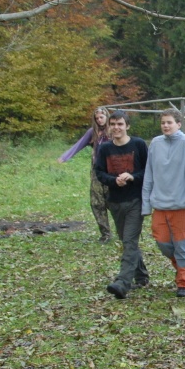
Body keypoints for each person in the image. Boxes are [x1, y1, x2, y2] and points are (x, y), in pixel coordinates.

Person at [142, 108, 185, 297]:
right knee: (163, 243)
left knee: (182, 245)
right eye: (163, 123)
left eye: (169, 122)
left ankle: (184, 283)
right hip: (160, 205)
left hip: (182, 206)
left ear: (178, 124)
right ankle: (184, 270)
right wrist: (146, 203)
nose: (166, 126)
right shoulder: (155, 144)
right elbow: (149, 174)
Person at [94, 110, 149, 299]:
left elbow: (148, 170)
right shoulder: (105, 149)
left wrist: (132, 176)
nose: (116, 128)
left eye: (120, 124)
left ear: (127, 126)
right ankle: (141, 276)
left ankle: (122, 282)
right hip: (115, 202)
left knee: (129, 241)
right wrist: (113, 180)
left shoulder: (138, 145)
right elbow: (99, 172)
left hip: (135, 201)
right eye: (113, 124)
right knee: (127, 240)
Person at [59, 106, 113, 242]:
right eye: (97, 118)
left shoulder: (113, 130)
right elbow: (79, 144)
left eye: (101, 117)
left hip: (113, 171)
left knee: (114, 202)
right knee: (96, 202)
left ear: (107, 117)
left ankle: (124, 231)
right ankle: (105, 234)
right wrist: (65, 157)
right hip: (97, 171)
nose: (99, 120)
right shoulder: (92, 132)